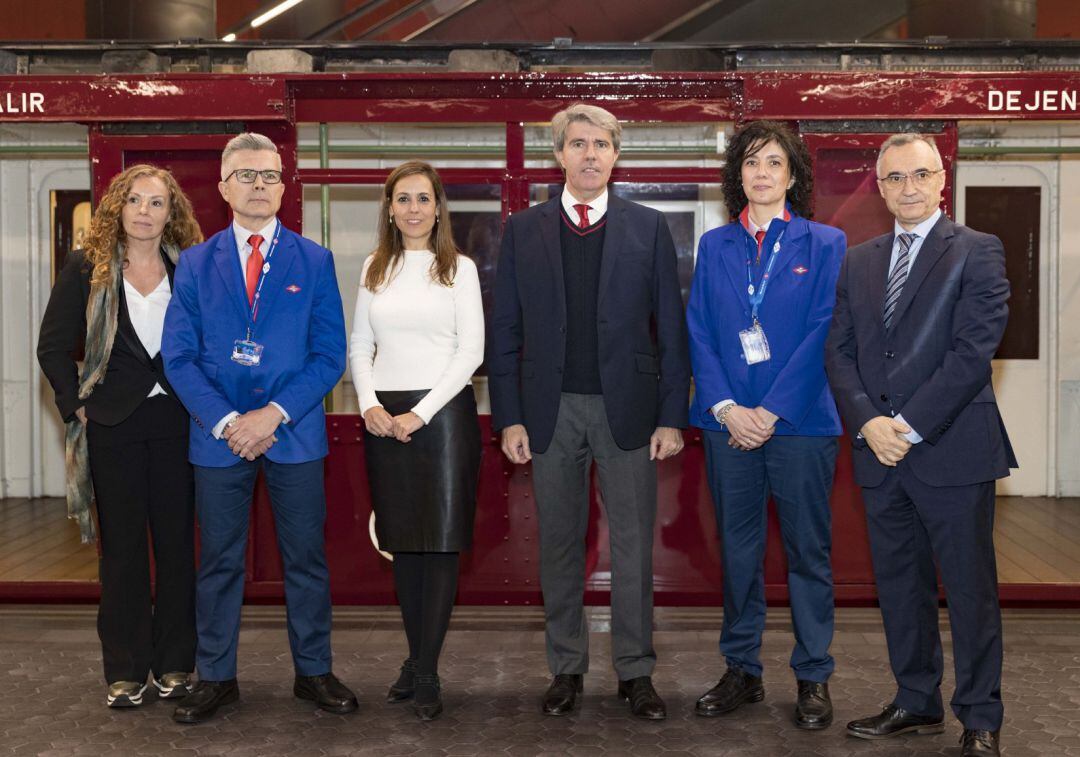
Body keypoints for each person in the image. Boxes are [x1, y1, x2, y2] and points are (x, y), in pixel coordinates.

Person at [489, 103, 691, 720]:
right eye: (578, 144)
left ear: (615, 154)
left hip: (627, 410)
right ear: (559, 155)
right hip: (549, 413)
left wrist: (671, 415)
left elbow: (670, 331)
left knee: (632, 546)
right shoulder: (523, 229)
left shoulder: (647, 227)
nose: (590, 155)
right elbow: (506, 330)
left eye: (601, 144)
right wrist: (510, 417)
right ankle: (566, 669)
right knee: (558, 544)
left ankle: (635, 673)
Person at [825, 133, 1015, 757]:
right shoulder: (859, 259)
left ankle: (981, 717)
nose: (907, 187)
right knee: (900, 585)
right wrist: (868, 423)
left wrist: (904, 426)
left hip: (952, 449)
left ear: (942, 179)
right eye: (894, 178)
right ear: (879, 188)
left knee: (969, 591)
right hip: (878, 453)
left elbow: (972, 353)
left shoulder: (978, 251)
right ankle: (915, 701)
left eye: (919, 174)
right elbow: (841, 351)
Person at [161, 132, 356, 724]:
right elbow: (179, 358)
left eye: (270, 175)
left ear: (283, 185)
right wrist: (227, 422)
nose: (260, 185)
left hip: (292, 434)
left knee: (306, 559)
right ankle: (216, 676)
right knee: (218, 560)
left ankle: (314, 672)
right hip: (217, 438)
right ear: (223, 188)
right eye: (246, 175)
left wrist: (272, 414)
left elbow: (329, 355)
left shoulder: (314, 260)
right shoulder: (195, 263)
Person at [686, 120, 846, 729]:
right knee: (739, 552)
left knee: (808, 553)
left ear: (793, 175)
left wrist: (772, 411)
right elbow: (699, 328)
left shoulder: (825, 243)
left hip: (801, 424)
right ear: (738, 175)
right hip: (729, 428)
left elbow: (823, 333)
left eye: (774, 162)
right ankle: (742, 670)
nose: (762, 172)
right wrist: (727, 408)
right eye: (751, 162)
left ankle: (812, 675)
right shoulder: (715, 245)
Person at [38, 164, 203, 708]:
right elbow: (53, 346)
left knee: (178, 549)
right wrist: (75, 405)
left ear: (170, 212)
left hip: (181, 422)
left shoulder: (191, 270)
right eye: (135, 201)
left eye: (157, 203)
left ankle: (176, 665)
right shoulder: (87, 268)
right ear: (118, 208)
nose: (145, 212)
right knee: (124, 553)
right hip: (113, 423)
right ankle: (127, 672)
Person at [349, 161, 484, 721]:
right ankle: (417, 658)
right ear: (389, 207)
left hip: (444, 415)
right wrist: (370, 406)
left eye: (422, 198)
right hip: (384, 418)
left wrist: (419, 414)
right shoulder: (374, 266)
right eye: (402, 199)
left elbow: (471, 353)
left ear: (438, 207)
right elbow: (359, 346)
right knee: (404, 544)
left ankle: (425, 670)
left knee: (441, 542)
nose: (412, 209)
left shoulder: (460, 269)